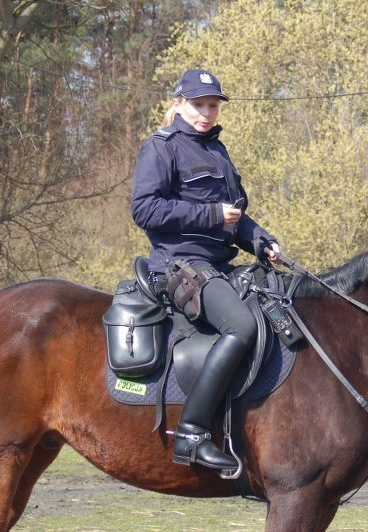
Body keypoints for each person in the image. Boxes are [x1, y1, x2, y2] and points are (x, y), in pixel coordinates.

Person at [130, 69, 281, 471]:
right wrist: (212, 214)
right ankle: (192, 434)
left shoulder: (218, 151)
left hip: (219, 264)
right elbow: (143, 210)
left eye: (212, 105)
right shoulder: (162, 148)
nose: (206, 112)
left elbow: (236, 218)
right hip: (179, 265)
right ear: (179, 103)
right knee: (242, 327)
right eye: (198, 104)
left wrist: (261, 241)